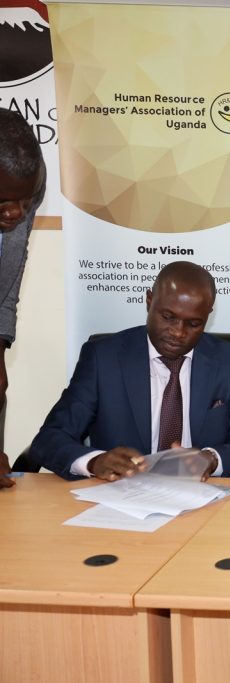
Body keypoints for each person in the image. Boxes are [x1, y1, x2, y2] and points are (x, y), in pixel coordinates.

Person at [31, 261, 230, 480]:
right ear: (149, 301)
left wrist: (211, 459)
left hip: (201, 494)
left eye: (193, 324)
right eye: (168, 317)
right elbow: (50, 439)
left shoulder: (228, 361)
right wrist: (95, 462)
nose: (178, 332)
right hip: (120, 497)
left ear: (207, 317)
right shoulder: (103, 358)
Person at [0, 109, 46, 488]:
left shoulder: (26, 183)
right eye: (4, 202)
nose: (17, 213)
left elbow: (8, 275)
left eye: (26, 200)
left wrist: (0, 344)